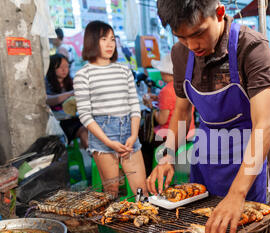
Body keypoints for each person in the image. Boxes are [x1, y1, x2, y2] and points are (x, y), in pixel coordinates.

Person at [148, 0, 270, 233]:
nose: (192, 45)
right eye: (182, 37)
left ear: (219, 13)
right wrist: (167, 155)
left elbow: (264, 125)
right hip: (205, 159)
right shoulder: (180, 53)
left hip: (245, 162)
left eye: (198, 34)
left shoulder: (250, 46)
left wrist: (237, 194)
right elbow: (182, 111)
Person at [74, 20, 147, 198]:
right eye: (104, 39)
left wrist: (134, 134)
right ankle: (114, 226)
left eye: (113, 39)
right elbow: (84, 115)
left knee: (141, 191)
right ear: (92, 41)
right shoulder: (83, 74)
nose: (110, 44)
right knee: (112, 193)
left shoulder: (124, 70)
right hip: (102, 134)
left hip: (129, 131)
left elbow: (134, 106)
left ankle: (145, 222)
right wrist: (108, 142)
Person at [143, 54, 196, 142]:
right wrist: (158, 98)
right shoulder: (186, 86)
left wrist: (151, 107)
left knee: (143, 142)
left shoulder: (166, 91)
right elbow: (174, 102)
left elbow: (162, 120)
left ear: (164, 72)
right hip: (189, 132)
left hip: (170, 136)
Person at [45, 54, 88, 149]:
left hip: (73, 119)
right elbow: (47, 100)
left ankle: (96, 156)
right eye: (60, 67)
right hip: (58, 124)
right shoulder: (46, 83)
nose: (64, 70)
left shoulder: (71, 81)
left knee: (88, 128)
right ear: (52, 68)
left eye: (66, 66)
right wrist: (70, 93)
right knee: (82, 130)